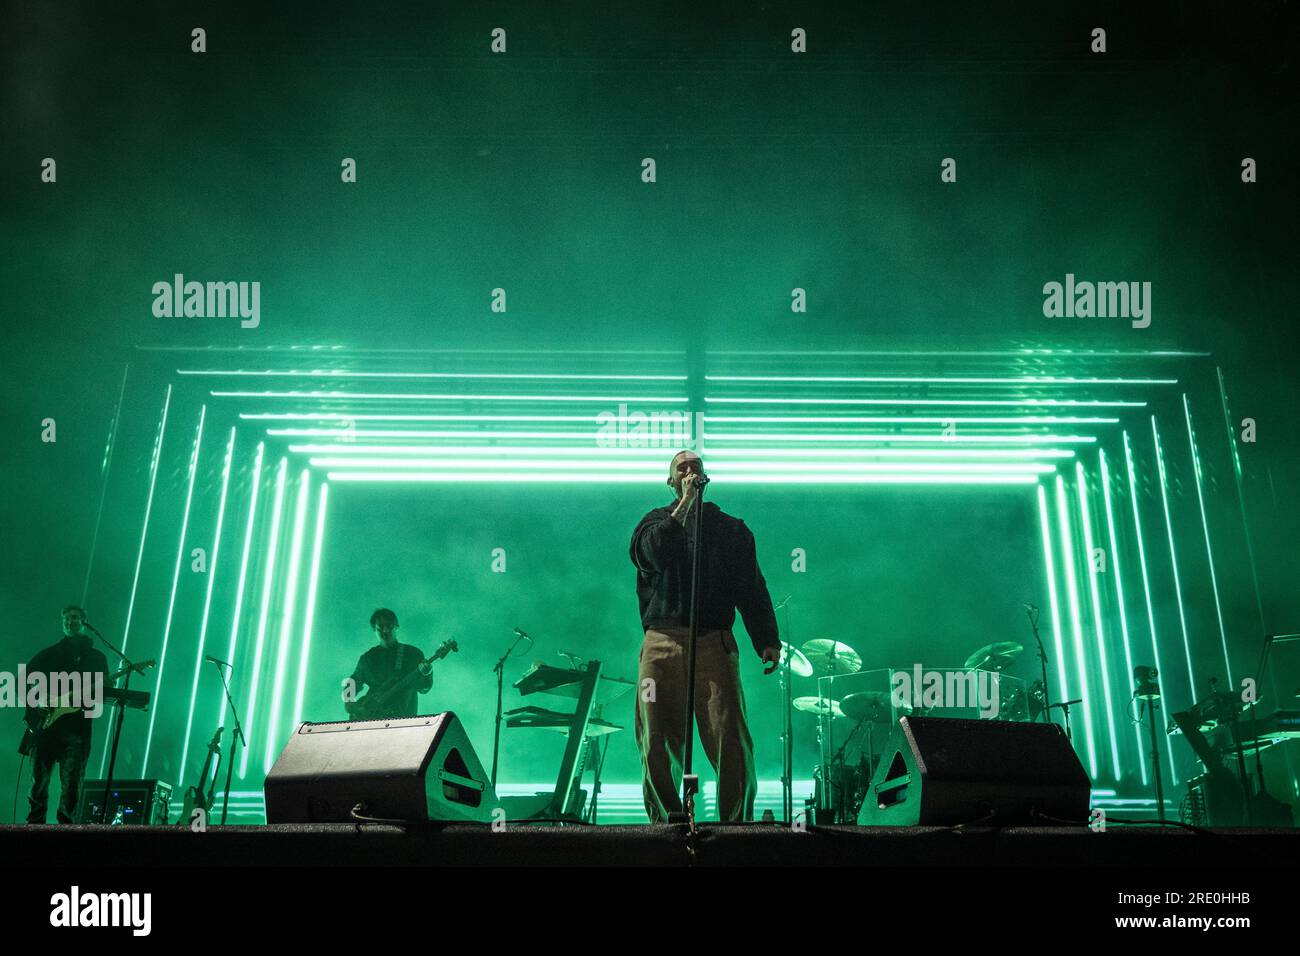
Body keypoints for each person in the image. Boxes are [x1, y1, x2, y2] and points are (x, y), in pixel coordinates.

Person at [629, 450, 781, 822]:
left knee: (729, 734)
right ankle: (667, 824)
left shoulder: (731, 529)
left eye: (695, 466)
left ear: (706, 478)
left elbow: (752, 587)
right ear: (670, 481)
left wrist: (767, 639)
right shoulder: (653, 523)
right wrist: (683, 507)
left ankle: (734, 826)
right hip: (662, 641)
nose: (689, 470)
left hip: (714, 640)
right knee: (657, 738)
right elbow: (651, 555)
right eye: (680, 467)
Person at [25, 605, 108, 824]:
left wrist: (103, 687)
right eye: (65, 619)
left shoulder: (96, 658)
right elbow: (24, 680)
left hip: (77, 730)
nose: (69, 622)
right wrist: (37, 701)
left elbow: (102, 693)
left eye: (74, 618)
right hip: (46, 728)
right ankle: (33, 827)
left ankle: (66, 830)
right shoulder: (49, 654)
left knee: (71, 785)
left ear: (84, 622)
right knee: (38, 782)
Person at [343, 608, 433, 720]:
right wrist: (348, 700)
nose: (385, 630)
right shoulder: (368, 658)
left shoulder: (412, 654)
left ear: (396, 626)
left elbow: (424, 688)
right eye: (380, 627)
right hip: (371, 719)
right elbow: (353, 681)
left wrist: (427, 674)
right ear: (374, 629)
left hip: (403, 720)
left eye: (389, 626)